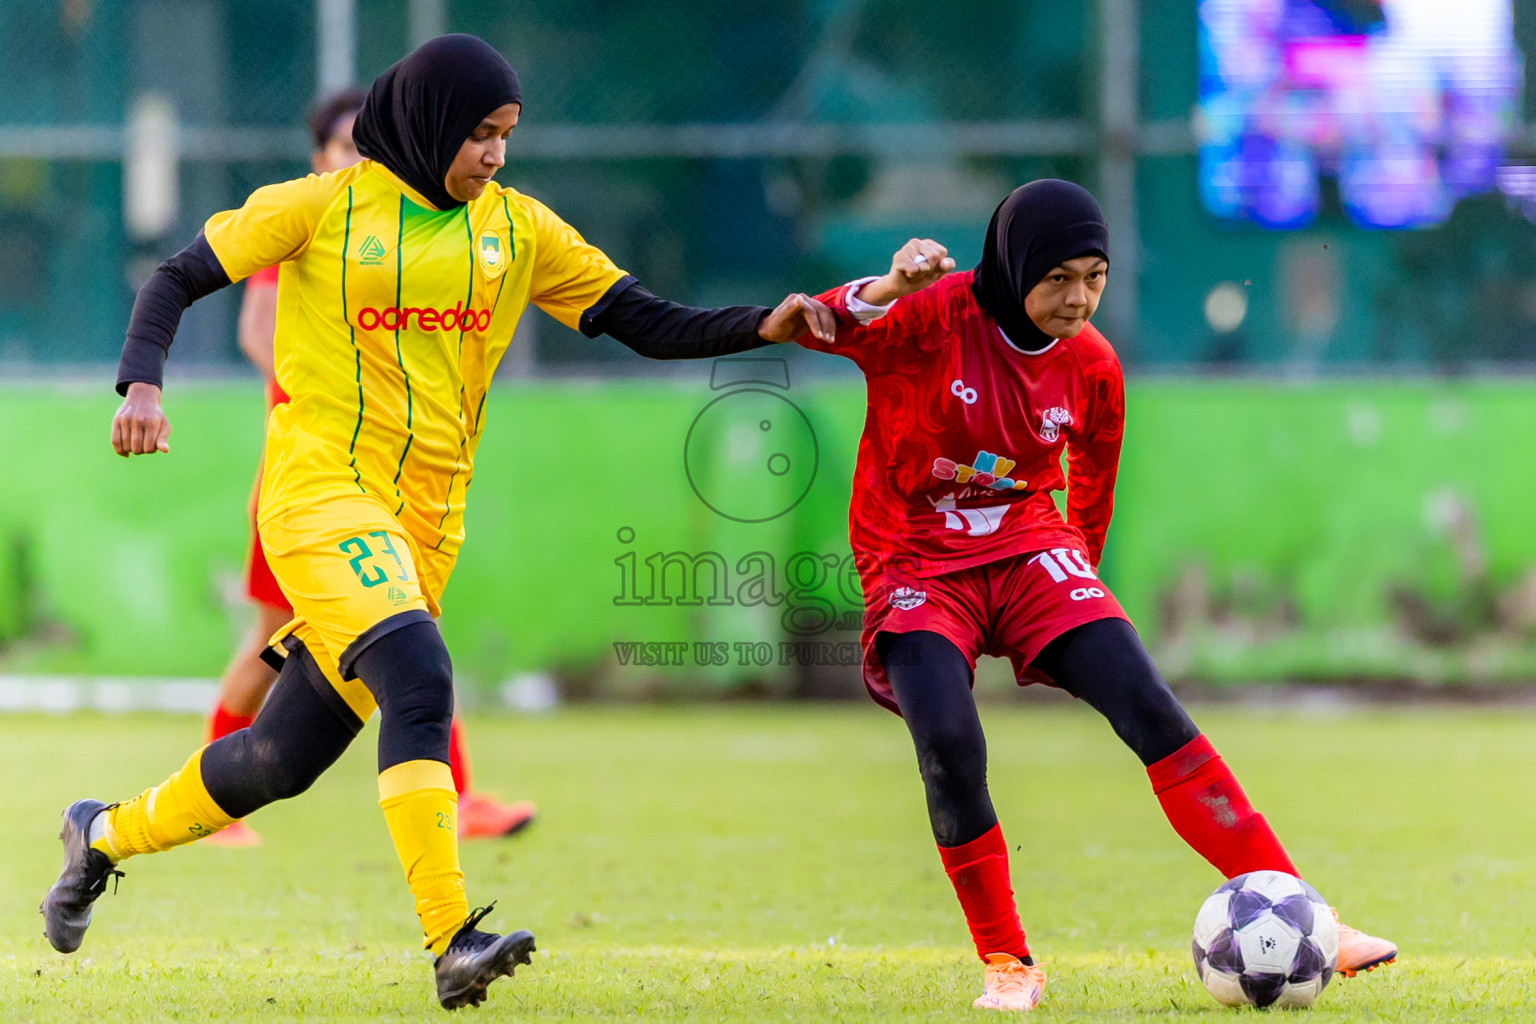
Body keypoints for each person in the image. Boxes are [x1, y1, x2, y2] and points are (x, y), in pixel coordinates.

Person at [41, 34, 833, 1010]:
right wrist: (142, 385)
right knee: (419, 674)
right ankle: (453, 937)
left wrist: (766, 323)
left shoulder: (521, 230)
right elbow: (175, 276)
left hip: (423, 526)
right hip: (319, 499)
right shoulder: (322, 207)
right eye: (477, 135)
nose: (494, 154)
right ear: (424, 125)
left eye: (505, 135)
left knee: (281, 761)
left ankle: (102, 833)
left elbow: (643, 317)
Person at [793, 179, 1397, 1012]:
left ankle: (1316, 920)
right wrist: (891, 285)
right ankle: (1008, 962)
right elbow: (822, 323)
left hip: (1035, 551)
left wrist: (1077, 597)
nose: (1078, 298)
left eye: (1094, 276)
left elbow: (1093, 497)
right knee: (950, 749)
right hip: (915, 563)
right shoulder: (935, 317)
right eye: (1058, 279)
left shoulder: (1094, 367)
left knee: (1150, 706)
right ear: (1014, 269)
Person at [208, 87, 535, 847]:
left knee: (408, 631)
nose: (363, 159)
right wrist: (329, 381)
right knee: (273, 641)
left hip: (386, 475)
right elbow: (257, 327)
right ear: (319, 158)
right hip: (312, 476)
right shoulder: (306, 228)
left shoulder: (406, 235)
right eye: (346, 147)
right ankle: (210, 794)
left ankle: (459, 797)